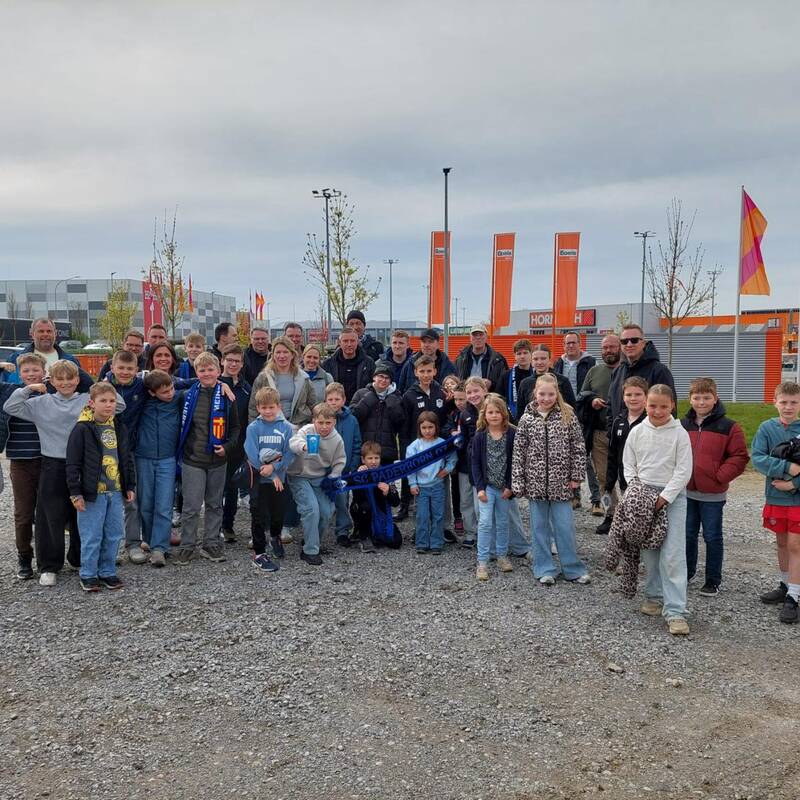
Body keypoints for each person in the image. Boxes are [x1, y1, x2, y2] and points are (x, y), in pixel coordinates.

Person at [4, 360, 125, 587]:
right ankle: (49, 565)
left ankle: (80, 558)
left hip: (85, 465)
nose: (66, 383)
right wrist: (30, 388)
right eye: (60, 379)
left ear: (78, 380)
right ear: (51, 380)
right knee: (50, 515)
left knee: (83, 512)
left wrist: (96, 384)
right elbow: (10, 407)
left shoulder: (86, 401)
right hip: (53, 463)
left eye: (71, 378)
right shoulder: (40, 403)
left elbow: (119, 405)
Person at [624, 384, 693, 635]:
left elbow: (684, 470)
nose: (658, 411)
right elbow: (628, 464)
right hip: (643, 496)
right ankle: (653, 596)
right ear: (646, 404)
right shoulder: (638, 432)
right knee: (650, 550)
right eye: (653, 405)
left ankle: (675, 611)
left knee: (673, 554)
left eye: (664, 406)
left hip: (672, 498)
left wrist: (664, 497)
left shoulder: (680, 434)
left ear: (672, 406)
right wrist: (636, 490)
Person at [511, 373, 590, 587]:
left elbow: (578, 448)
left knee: (564, 527)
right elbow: (519, 453)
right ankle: (544, 567)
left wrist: (576, 476)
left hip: (561, 485)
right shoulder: (527, 419)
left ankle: (572, 568)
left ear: (557, 394)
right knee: (539, 528)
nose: (546, 398)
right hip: (535, 485)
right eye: (542, 394)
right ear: (535, 394)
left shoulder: (568, 416)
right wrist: (518, 481)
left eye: (550, 394)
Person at [681, 377, 749, 596]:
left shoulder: (728, 427)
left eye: (707, 397)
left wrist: (720, 476)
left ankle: (712, 579)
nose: (702, 402)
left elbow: (739, 456)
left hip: (712, 494)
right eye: (697, 397)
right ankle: (687, 571)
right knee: (687, 534)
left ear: (715, 398)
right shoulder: (683, 425)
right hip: (687, 492)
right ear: (690, 399)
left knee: (712, 536)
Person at [66, 383, 135, 592]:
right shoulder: (82, 429)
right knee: (92, 534)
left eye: (112, 401)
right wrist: (75, 492)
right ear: (91, 403)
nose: (108, 405)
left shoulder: (118, 426)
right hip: (92, 493)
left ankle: (107, 571)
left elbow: (126, 457)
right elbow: (72, 463)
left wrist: (129, 484)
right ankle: (88, 573)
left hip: (114, 491)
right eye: (103, 401)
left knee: (114, 533)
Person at [173, 352, 240, 566]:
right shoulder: (187, 395)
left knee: (214, 504)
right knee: (191, 506)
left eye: (211, 369)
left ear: (218, 371)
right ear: (196, 372)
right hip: (193, 459)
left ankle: (211, 543)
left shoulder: (228, 397)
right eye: (202, 370)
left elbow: (236, 428)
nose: (206, 373)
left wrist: (228, 447)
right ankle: (187, 545)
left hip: (218, 460)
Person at [752, 381, 800, 624]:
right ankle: (785, 583)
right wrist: (786, 466)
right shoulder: (766, 428)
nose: (788, 407)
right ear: (775, 402)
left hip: (797, 499)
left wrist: (794, 483)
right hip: (775, 497)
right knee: (781, 542)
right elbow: (758, 458)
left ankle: (794, 596)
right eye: (784, 402)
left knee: (795, 545)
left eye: (794, 402)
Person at [0, 353, 46, 579]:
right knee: (23, 513)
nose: (31, 374)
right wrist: (0, 367)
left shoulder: (51, 392)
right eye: (26, 371)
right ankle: (24, 557)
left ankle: (47, 559)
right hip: (20, 461)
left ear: (43, 372)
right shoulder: (11, 392)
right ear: (20, 373)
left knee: (47, 512)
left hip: (47, 459)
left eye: (35, 370)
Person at [135, 370, 184, 567]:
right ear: (152, 392)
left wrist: (222, 385)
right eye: (164, 392)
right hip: (143, 458)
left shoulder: (177, 399)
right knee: (146, 504)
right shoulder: (141, 403)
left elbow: (199, 386)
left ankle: (160, 548)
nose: (170, 393)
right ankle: (149, 538)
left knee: (164, 504)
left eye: (171, 388)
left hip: (167, 459)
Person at [288, 403, 346, 566]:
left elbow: (340, 461)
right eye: (320, 423)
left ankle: (312, 541)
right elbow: (293, 442)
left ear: (334, 422)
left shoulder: (337, 439)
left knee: (327, 511)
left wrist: (333, 477)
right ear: (314, 421)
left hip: (319, 478)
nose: (324, 427)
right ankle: (310, 551)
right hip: (299, 475)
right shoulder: (307, 430)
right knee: (311, 509)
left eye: (328, 423)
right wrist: (304, 446)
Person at [244, 386, 295, 571]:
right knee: (258, 514)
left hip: (279, 480)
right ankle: (258, 552)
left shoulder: (287, 428)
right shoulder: (254, 428)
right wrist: (268, 472)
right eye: (264, 408)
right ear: (258, 408)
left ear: (278, 406)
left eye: (271, 407)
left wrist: (274, 469)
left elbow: (290, 453)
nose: (268, 411)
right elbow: (251, 453)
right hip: (259, 480)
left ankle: (275, 537)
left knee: (278, 513)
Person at [104, 350, 147, 564]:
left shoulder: (141, 386)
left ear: (136, 370)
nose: (124, 372)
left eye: (130, 369)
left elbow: (174, 383)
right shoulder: (102, 388)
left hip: (129, 450)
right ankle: (107, 548)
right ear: (112, 367)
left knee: (131, 498)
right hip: (105, 451)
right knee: (106, 499)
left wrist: (221, 383)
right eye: (120, 368)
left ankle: (132, 543)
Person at [399, 355, 451, 528]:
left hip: (438, 449)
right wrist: (406, 450)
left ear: (435, 371)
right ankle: (420, 528)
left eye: (429, 371)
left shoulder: (442, 393)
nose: (426, 374)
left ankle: (442, 527)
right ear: (416, 372)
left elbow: (446, 419)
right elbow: (405, 426)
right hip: (418, 450)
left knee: (439, 488)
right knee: (419, 490)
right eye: (422, 371)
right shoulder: (409, 395)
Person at [577, 334, 622, 528]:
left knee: (629, 479)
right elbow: (582, 396)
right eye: (605, 348)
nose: (608, 351)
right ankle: (611, 515)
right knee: (603, 479)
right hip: (600, 435)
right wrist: (592, 400)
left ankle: (631, 516)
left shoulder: (628, 370)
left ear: (619, 348)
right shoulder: (594, 371)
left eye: (612, 347)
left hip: (627, 434)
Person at [472, 394, 516, 581]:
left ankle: (502, 555)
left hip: (504, 489)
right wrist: (480, 488)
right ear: (485, 414)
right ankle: (482, 561)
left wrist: (510, 486)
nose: (494, 415)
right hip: (487, 487)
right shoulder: (480, 436)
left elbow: (516, 462)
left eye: (498, 412)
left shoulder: (512, 435)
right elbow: (475, 463)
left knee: (503, 522)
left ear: (504, 414)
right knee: (484, 522)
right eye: (490, 412)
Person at [406, 411, 457, 555]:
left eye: (430, 427)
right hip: (421, 487)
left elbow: (452, 457)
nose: (427, 431)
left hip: (437, 485)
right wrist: (412, 484)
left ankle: (436, 543)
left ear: (436, 427)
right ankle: (422, 543)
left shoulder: (442, 444)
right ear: (419, 428)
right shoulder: (414, 446)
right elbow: (410, 467)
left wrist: (446, 470)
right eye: (424, 428)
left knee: (438, 515)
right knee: (422, 516)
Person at [604, 377, 649, 530]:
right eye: (629, 395)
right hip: (625, 482)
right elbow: (612, 454)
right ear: (623, 397)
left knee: (642, 523)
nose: (633, 398)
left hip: (646, 484)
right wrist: (609, 484)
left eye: (638, 394)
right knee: (628, 523)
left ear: (646, 397)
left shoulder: (651, 422)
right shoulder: (619, 421)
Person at [608, 324, 676, 422]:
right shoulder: (617, 371)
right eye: (624, 341)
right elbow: (610, 407)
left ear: (643, 343)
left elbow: (669, 407)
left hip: (649, 435)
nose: (629, 344)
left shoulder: (659, 371)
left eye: (634, 340)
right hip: (620, 434)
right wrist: (612, 432)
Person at [220, 344, 252, 544]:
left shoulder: (245, 388)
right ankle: (213, 529)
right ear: (222, 360)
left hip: (237, 444)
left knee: (231, 487)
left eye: (237, 361)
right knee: (214, 489)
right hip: (215, 443)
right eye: (229, 360)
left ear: (241, 364)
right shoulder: (213, 382)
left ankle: (228, 525)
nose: (232, 364)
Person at [248, 337, 315, 428]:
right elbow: (253, 408)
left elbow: (313, 404)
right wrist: (254, 429)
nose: (282, 356)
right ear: (273, 355)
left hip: (298, 427)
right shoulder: (263, 378)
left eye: (285, 352)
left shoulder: (304, 378)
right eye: (278, 352)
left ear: (292, 355)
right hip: (270, 427)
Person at [325, 382, 361, 547]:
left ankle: (342, 531)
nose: (333, 402)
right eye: (330, 399)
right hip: (324, 468)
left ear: (344, 400)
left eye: (337, 399)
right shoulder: (321, 419)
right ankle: (318, 531)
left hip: (344, 469)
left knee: (342, 501)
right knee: (323, 502)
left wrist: (353, 465)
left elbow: (356, 444)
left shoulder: (351, 420)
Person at [350, 441, 402, 550]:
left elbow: (396, 502)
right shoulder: (359, 474)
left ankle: (381, 530)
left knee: (396, 542)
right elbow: (356, 498)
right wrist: (360, 478)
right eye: (370, 458)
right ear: (363, 459)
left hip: (381, 514)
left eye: (376, 458)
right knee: (364, 507)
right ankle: (363, 535)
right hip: (364, 511)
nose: (373, 462)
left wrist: (388, 492)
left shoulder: (386, 474)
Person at [350, 364, 405, 467]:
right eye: (380, 376)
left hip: (387, 452)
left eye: (387, 378)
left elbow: (400, 422)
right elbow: (353, 417)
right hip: (365, 452)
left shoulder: (396, 397)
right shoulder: (361, 393)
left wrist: (392, 404)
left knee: (385, 483)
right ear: (374, 377)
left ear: (390, 381)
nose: (383, 380)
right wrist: (368, 399)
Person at [4, 318, 81, 383]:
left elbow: (83, 386)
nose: (45, 334)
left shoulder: (70, 360)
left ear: (55, 333)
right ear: (32, 334)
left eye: (49, 331)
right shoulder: (15, 359)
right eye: (41, 331)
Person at [516, 344, 576, 418]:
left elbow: (572, 408)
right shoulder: (525, 383)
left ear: (550, 359)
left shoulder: (563, 381)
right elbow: (520, 412)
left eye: (543, 358)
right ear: (531, 361)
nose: (539, 362)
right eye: (535, 359)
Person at [322, 329, 375, 402]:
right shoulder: (328, 364)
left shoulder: (368, 363)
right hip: (335, 409)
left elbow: (373, 387)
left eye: (352, 341)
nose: (349, 344)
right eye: (345, 341)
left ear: (357, 342)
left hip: (361, 408)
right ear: (340, 343)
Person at [397, 328, 455, 394]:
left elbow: (456, 390)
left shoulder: (448, 366)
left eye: (430, 342)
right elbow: (400, 391)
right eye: (424, 342)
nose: (426, 345)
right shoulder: (410, 364)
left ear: (438, 344)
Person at [454, 324, 508, 391]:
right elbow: (455, 380)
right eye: (475, 335)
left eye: (481, 334)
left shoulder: (498, 359)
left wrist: (492, 384)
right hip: (466, 398)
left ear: (486, 337)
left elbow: (505, 382)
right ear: (470, 338)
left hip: (489, 399)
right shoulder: (460, 359)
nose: (478, 337)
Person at [498, 339, 535, 422]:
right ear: (515, 356)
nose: (522, 356)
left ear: (531, 354)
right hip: (512, 419)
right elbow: (500, 398)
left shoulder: (537, 374)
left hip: (534, 418)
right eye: (519, 353)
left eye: (525, 353)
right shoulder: (506, 376)